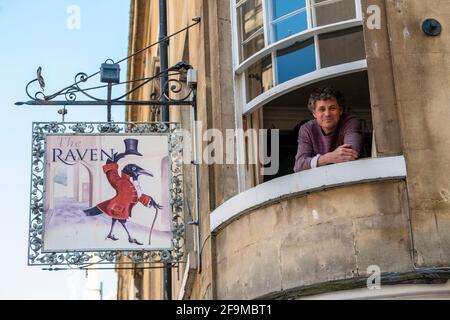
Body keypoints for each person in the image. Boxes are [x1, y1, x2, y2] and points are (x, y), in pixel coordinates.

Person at [293, 86, 363, 172]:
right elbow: (299, 165)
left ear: (340, 110)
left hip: (351, 176)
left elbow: (351, 154)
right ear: (314, 113)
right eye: (322, 109)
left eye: (332, 108)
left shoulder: (350, 122)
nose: (327, 114)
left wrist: (317, 161)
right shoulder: (307, 129)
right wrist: (330, 157)